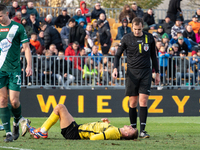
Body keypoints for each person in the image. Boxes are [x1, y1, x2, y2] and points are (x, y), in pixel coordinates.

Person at [112, 17, 160, 138]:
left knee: (143, 101)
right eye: (135, 29)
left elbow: (154, 56)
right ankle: (133, 129)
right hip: (132, 73)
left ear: (142, 27)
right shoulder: (126, 38)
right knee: (132, 102)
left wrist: (157, 72)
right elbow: (117, 55)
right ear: (131, 27)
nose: (137, 31)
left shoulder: (149, 38)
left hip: (146, 72)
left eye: (139, 29)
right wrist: (115, 68)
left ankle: (143, 131)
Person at [0, 4, 32, 142]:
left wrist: (29, 65)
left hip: (14, 70)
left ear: (7, 13)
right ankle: (8, 133)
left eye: (0, 15)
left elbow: (26, 48)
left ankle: (16, 122)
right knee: (2, 100)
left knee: (14, 102)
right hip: (0, 69)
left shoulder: (17, 28)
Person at [27, 104, 138, 140]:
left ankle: (42, 131)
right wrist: (104, 124)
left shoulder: (114, 132)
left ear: (127, 134)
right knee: (60, 109)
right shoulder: (115, 130)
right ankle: (41, 130)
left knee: (60, 107)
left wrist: (104, 129)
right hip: (76, 128)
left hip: (74, 132)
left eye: (131, 129)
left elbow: (94, 138)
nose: (130, 126)